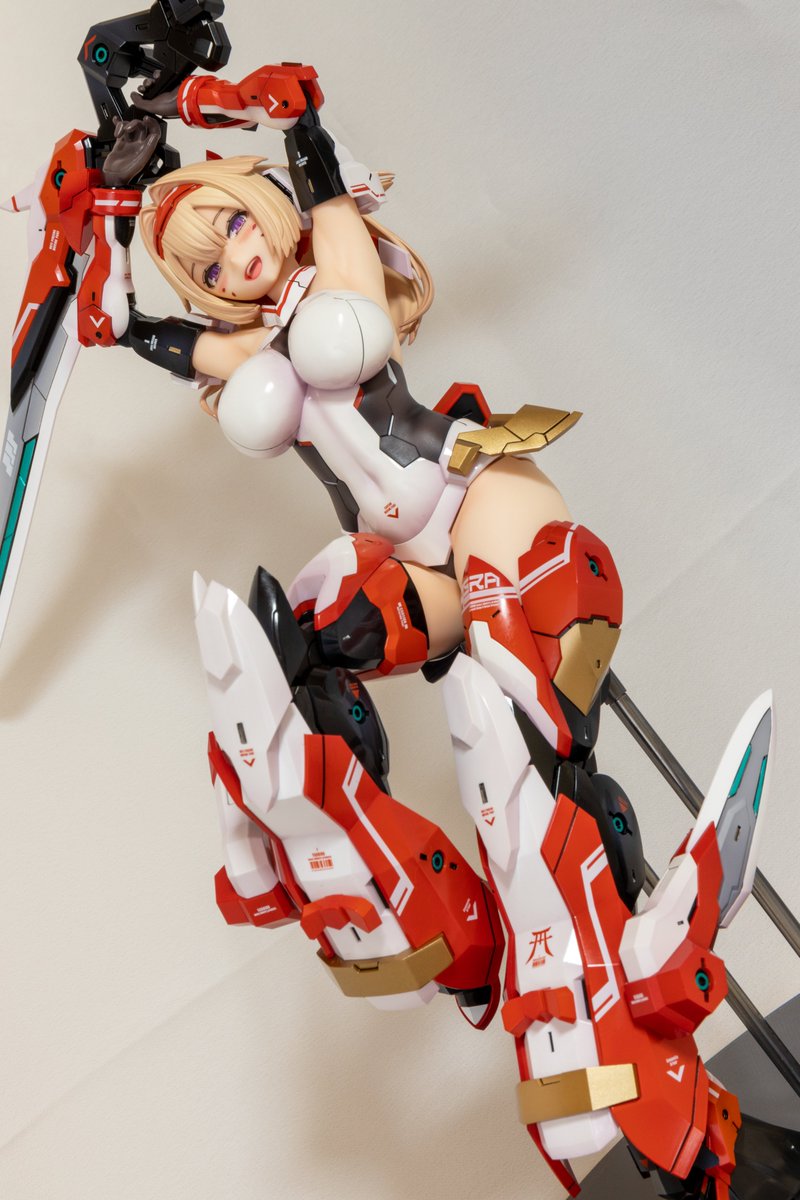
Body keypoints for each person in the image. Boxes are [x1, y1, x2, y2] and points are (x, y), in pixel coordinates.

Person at [128, 63, 771, 1200]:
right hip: (405, 560)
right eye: (206, 267)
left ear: (262, 205)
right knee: (292, 654)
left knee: (515, 732)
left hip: (472, 498)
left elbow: (326, 206)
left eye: (230, 227)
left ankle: (591, 944)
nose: (233, 262)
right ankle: (378, 889)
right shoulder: (250, 346)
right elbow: (180, 345)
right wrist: (110, 303)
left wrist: (301, 123)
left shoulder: (329, 263)